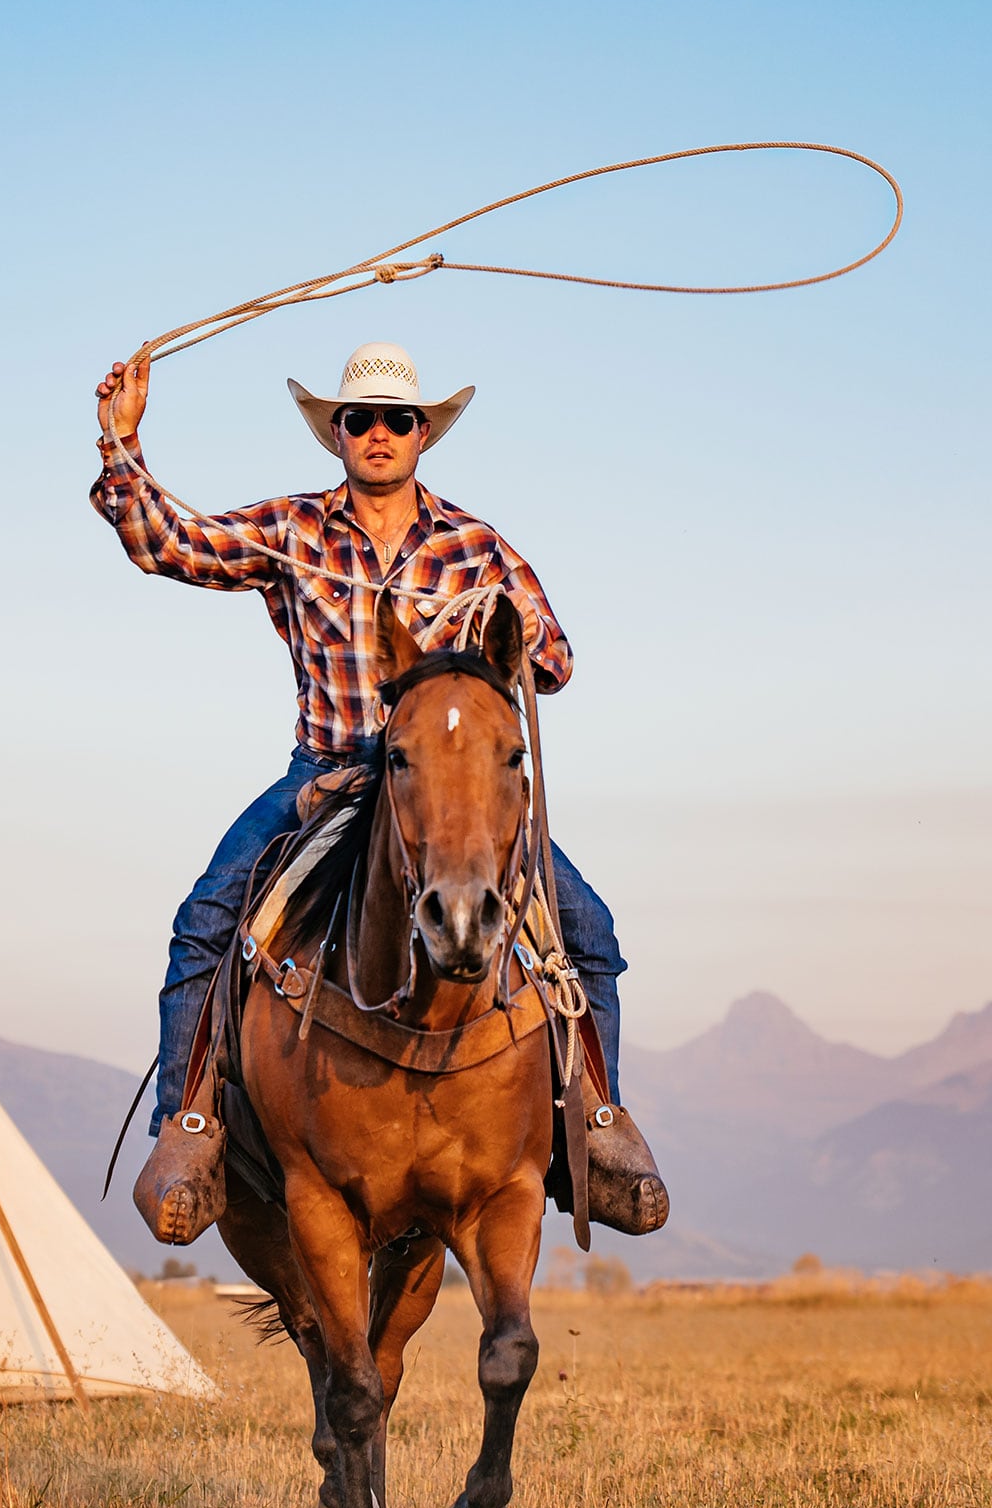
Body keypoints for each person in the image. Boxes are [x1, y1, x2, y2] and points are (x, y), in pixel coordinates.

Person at [92, 341, 667, 1234]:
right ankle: (191, 1128)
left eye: (399, 420)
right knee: (205, 921)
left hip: (449, 790)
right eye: (359, 420)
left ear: (424, 433)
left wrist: (476, 640)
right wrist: (121, 446)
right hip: (327, 774)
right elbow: (175, 547)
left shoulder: (476, 546)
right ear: (337, 434)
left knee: (586, 926)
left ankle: (595, 1123)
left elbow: (551, 661)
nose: (379, 434)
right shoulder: (294, 531)